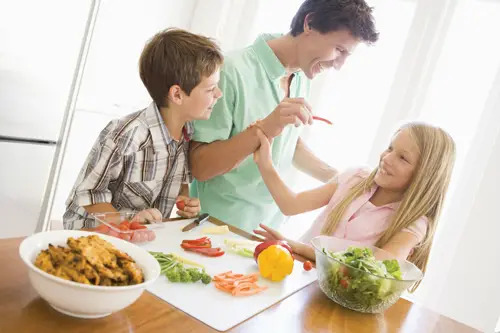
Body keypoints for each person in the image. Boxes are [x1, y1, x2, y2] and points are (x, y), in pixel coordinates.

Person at [189, 0, 379, 232]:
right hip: (217, 228)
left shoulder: (300, 75)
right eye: (339, 50)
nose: (339, 65)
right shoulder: (230, 71)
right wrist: (267, 126)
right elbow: (200, 166)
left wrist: (338, 179)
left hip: (268, 232)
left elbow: (286, 144)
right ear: (309, 23)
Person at [253, 122, 456, 287]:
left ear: (423, 176)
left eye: (402, 158)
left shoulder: (413, 223)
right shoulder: (356, 177)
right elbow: (291, 204)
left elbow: (374, 271)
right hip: (295, 277)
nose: (387, 158)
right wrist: (265, 163)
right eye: (390, 148)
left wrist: (301, 248)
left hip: (336, 302)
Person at [63, 28, 223, 229]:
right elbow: (89, 195)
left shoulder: (187, 133)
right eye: (210, 89)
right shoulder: (126, 134)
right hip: (91, 237)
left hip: (139, 237)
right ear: (177, 95)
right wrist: (129, 221)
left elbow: (176, 180)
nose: (219, 93)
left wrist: (184, 201)